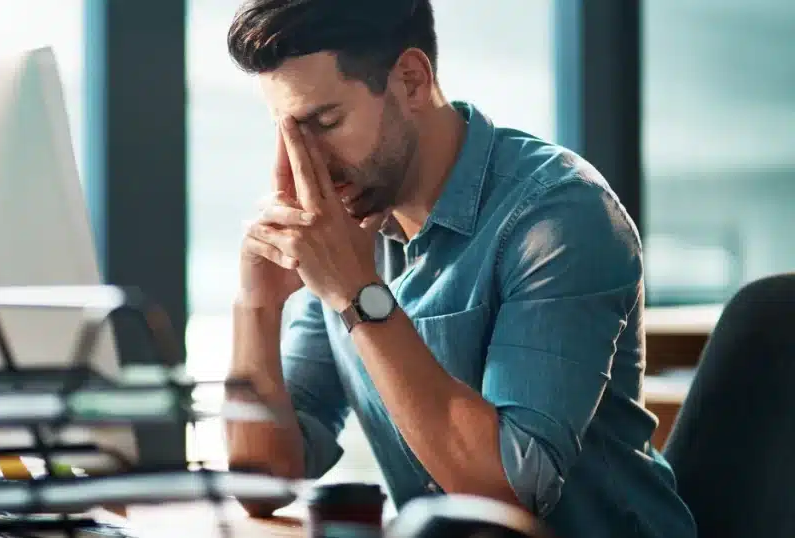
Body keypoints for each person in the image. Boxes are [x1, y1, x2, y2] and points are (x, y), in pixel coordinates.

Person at [223, 1, 697, 537]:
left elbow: (509, 495)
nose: (305, 162)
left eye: (325, 122)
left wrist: (359, 294)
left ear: (410, 79)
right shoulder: (347, 230)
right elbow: (267, 481)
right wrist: (255, 304)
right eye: (289, 133)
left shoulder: (561, 215)